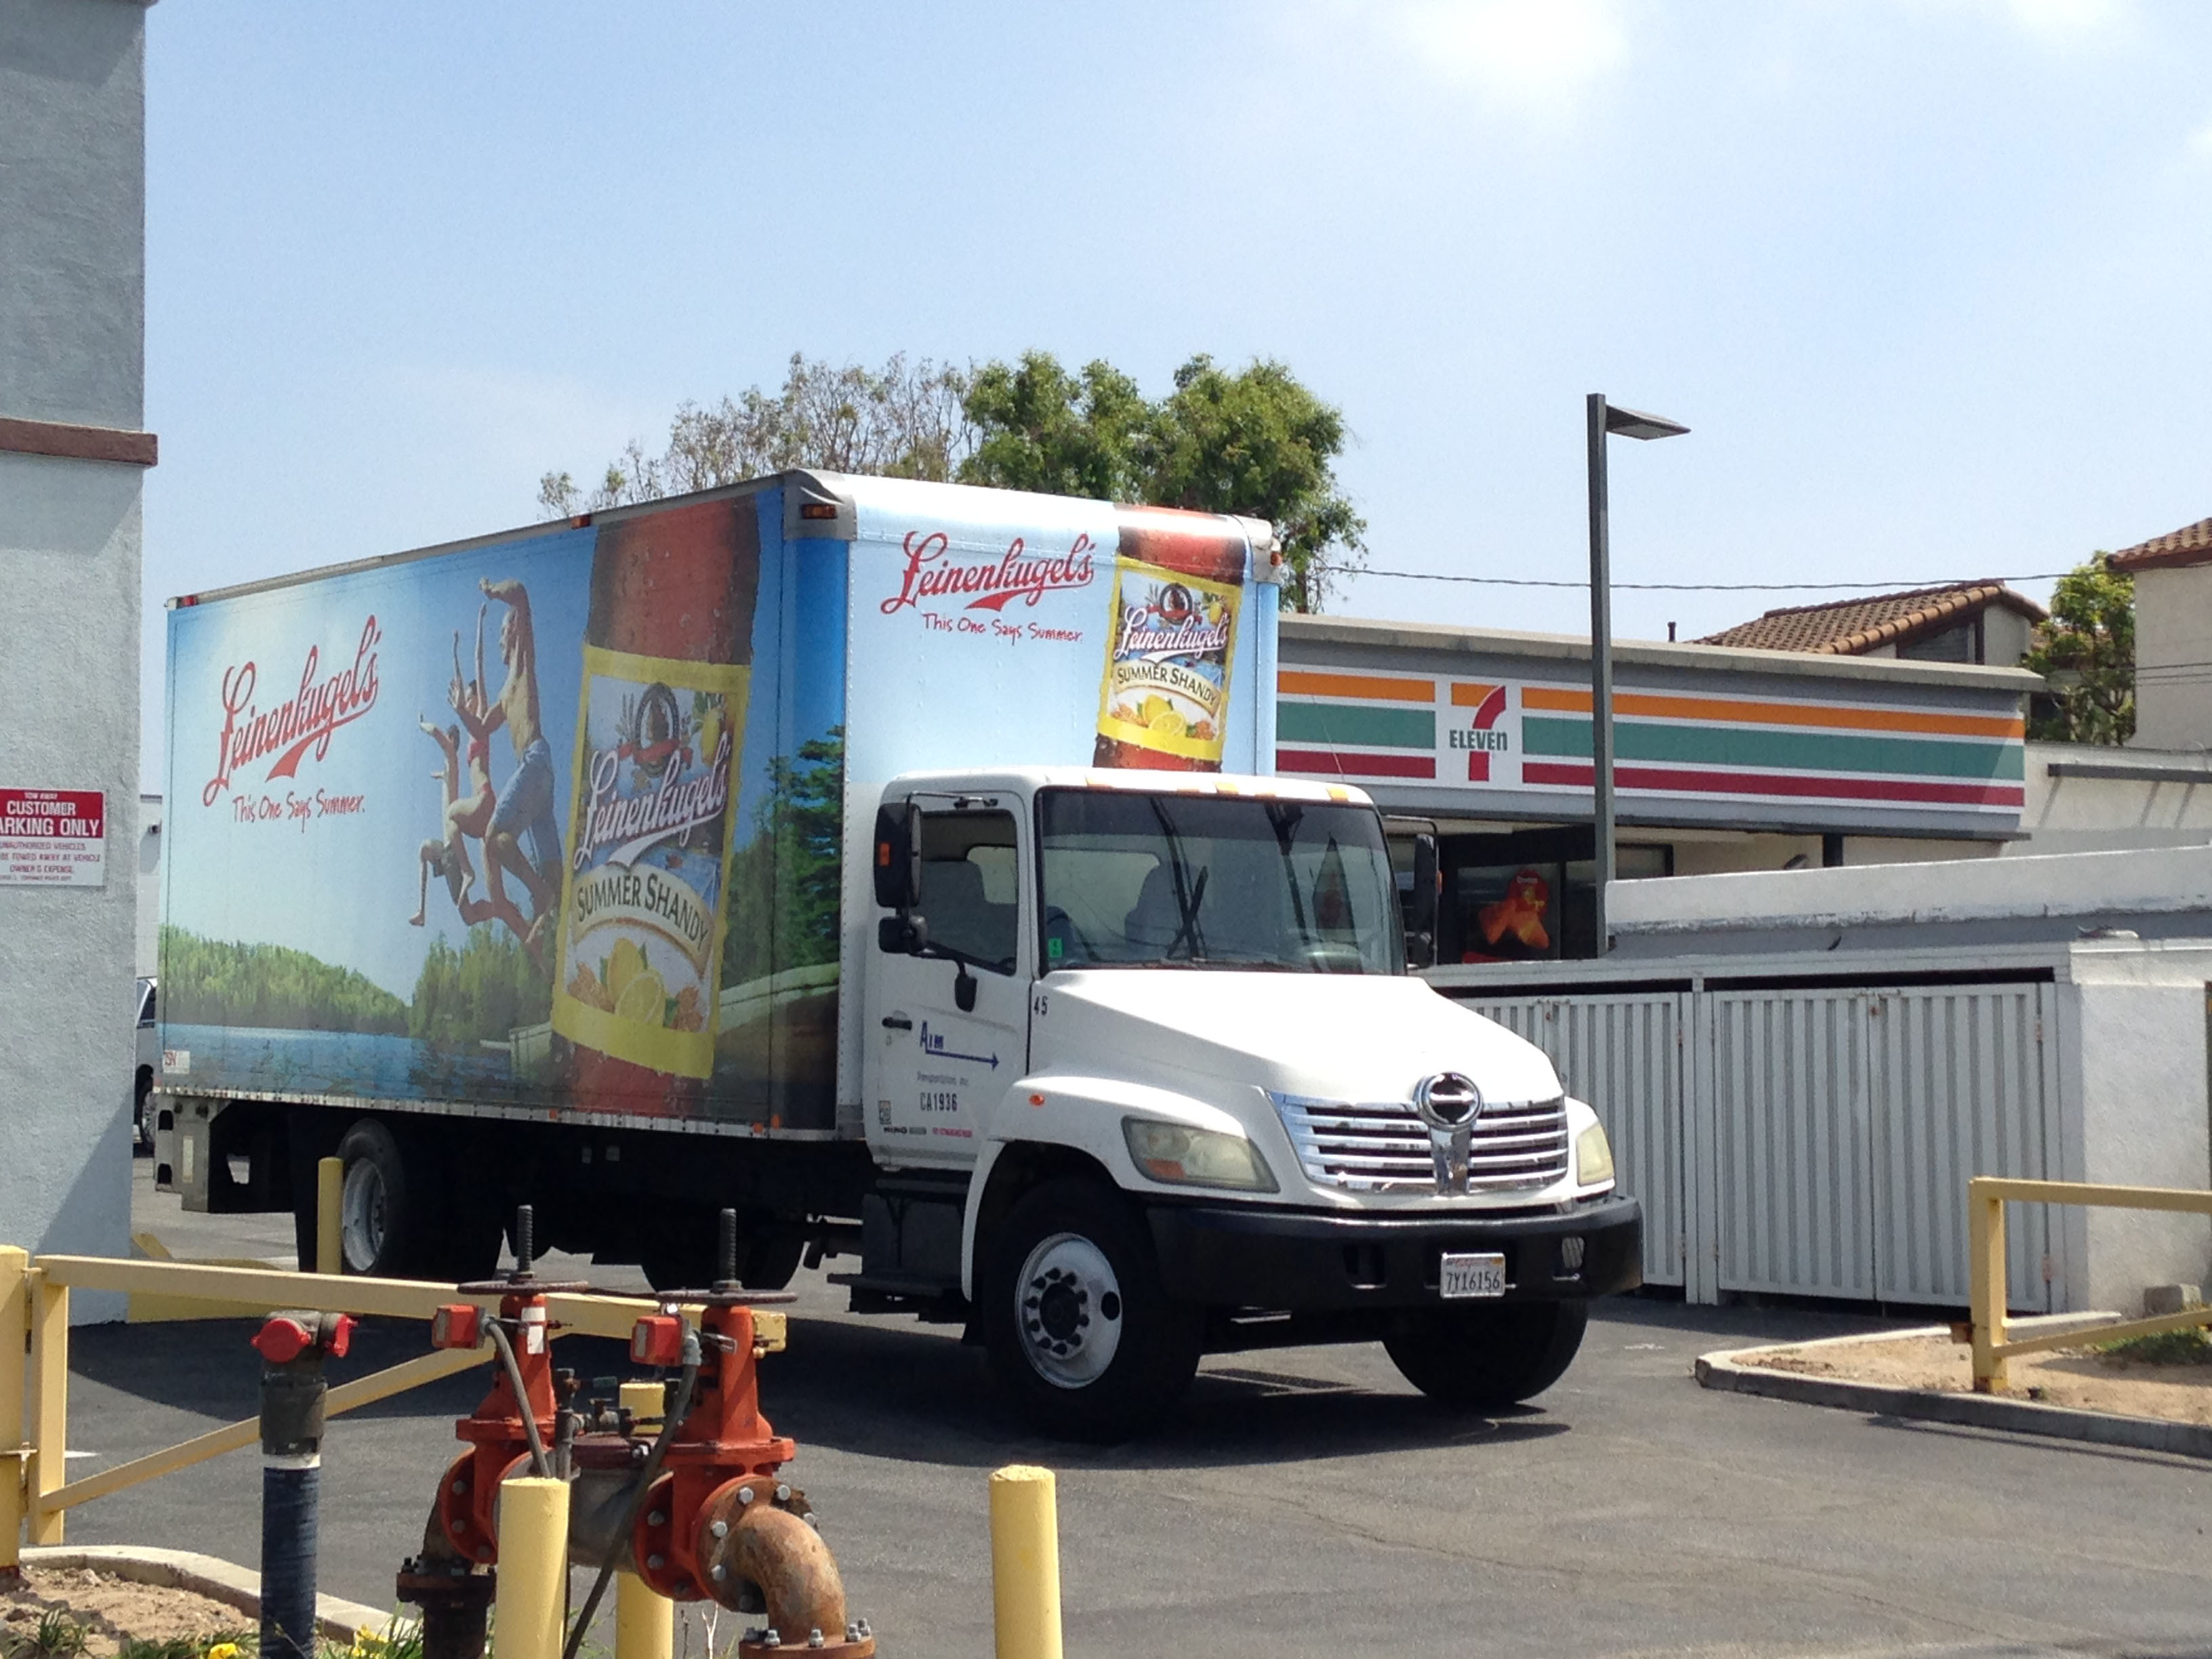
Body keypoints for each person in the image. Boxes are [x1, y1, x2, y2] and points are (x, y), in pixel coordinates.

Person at [459, 577, 563, 937]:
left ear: (515, 630)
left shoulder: (522, 660)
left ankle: (541, 894)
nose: (500, 642)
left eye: (502, 633)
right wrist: (460, 711)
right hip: (538, 784)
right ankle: (555, 910)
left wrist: (490, 592)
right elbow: (481, 729)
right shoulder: (506, 694)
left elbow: (520, 594)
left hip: (535, 761)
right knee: (551, 867)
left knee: (494, 838)